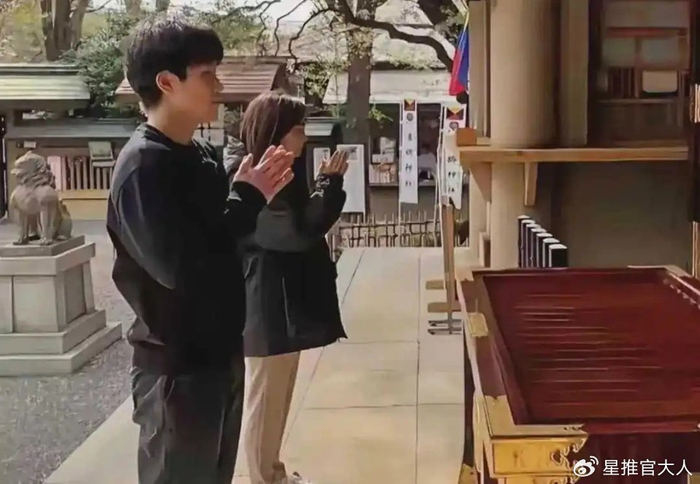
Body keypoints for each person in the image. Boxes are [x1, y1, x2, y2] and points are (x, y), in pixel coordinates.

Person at [106, 16, 295, 484]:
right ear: (167, 83)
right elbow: (185, 269)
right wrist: (246, 200)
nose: (219, 85)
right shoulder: (145, 167)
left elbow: (227, 239)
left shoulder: (202, 155)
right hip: (177, 369)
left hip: (220, 355)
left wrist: (250, 199)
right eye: (207, 74)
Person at [226, 92, 349, 484]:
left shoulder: (281, 168)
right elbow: (292, 233)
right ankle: (263, 478)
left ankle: (273, 473)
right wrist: (328, 187)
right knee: (265, 399)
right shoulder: (251, 172)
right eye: (298, 129)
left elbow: (299, 224)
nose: (304, 137)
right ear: (275, 131)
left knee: (277, 395)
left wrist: (325, 186)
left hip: (282, 298)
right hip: (265, 299)